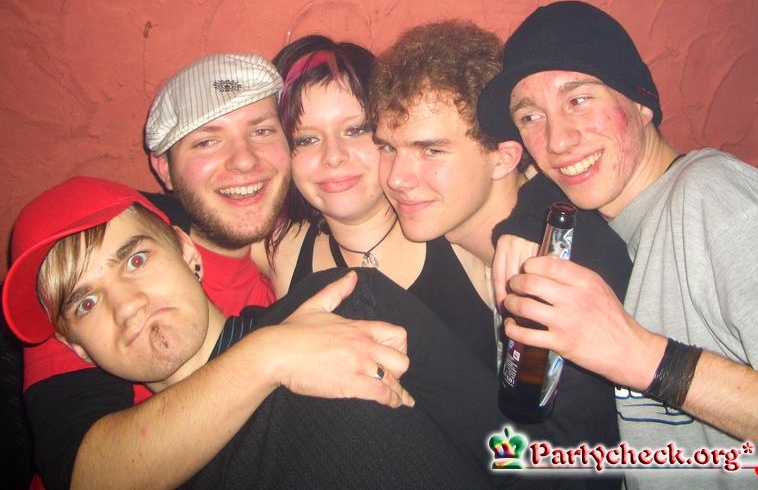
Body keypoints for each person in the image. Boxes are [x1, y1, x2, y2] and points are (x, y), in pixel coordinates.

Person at [17, 54, 412, 490]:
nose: (243, 161)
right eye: (207, 141)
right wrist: (269, 355)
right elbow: (89, 477)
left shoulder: (294, 259)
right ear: (164, 168)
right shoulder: (95, 270)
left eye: (261, 131)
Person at [3, 177, 528, 489]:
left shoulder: (345, 299)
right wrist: (268, 356)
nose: (127, 305)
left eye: (136, 260)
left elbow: (518, 451)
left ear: (188, 253)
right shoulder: (142, 467)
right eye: (86, 302)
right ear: (74, 346)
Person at [477, 0, 758, 489]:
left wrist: (641, 356)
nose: (557, 141)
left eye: (579, 100)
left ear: (641, 103)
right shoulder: (608, 222)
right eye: (531, 117)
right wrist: (526, 215)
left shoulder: (714, 196)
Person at [367, 20, 632, 486]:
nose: (396, 178)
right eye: (388, 148)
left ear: (505, 157)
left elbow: (578, 469)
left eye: (431, 151)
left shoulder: (572, 268)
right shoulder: (445, 235)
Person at [259, 34, 493, 367]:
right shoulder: (285, 250)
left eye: (356, 130)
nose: (333, 156)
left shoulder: (458, 229)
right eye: (306, 139)